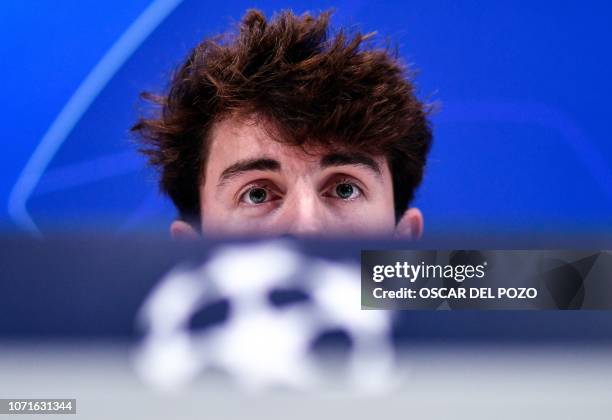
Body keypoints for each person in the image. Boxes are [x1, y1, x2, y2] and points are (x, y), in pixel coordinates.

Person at [132, 9, 432, 239]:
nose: (306, 228)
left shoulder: (474, 298)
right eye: (256, 194)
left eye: (345, 190)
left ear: (403, 243)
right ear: (191, 253)